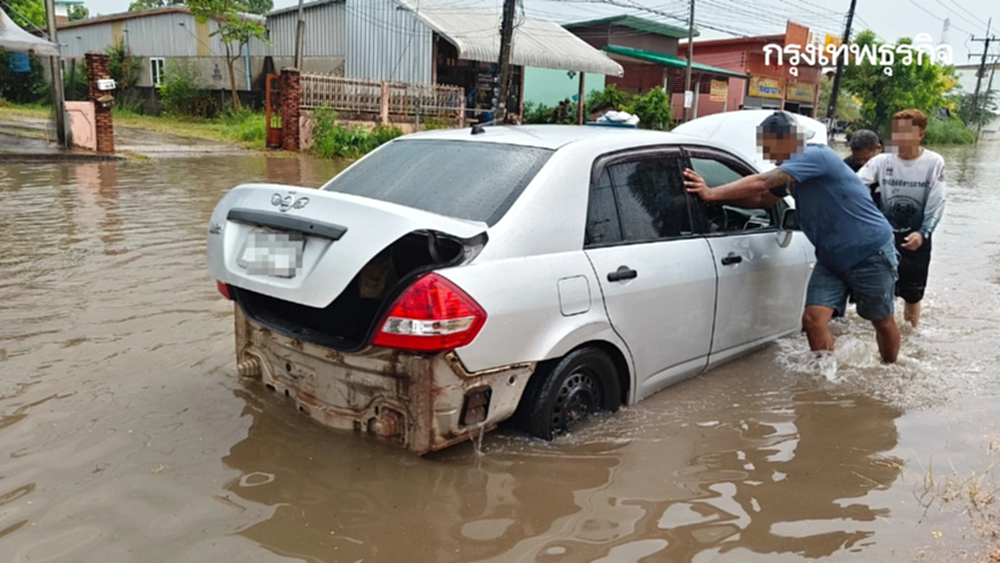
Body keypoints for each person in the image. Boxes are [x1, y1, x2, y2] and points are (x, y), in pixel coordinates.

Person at [683, 111, 901, 363]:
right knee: (812, 319)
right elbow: (763, 199)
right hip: (831, 257)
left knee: (882, 321)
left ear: (786, 141)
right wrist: (711, 200)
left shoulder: (816, 156)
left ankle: (890, 369)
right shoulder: (793, 171)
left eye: (768, 146)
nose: (766, 154)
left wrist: (711, 192)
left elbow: (764, 181)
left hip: (869, 251)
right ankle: (825, 377)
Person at [857, 109, 945, 328]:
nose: (899, 138)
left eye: (905, 132)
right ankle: (885, 333)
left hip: (917, 236)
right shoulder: (881, 161)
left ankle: (911, 335)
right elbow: (855, 186)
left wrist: (923, 233)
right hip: (885, 237)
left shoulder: (934, 162)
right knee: (883, 290)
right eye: (896, 132)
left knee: (912, 294)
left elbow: (937, 203)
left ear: (920, 134)